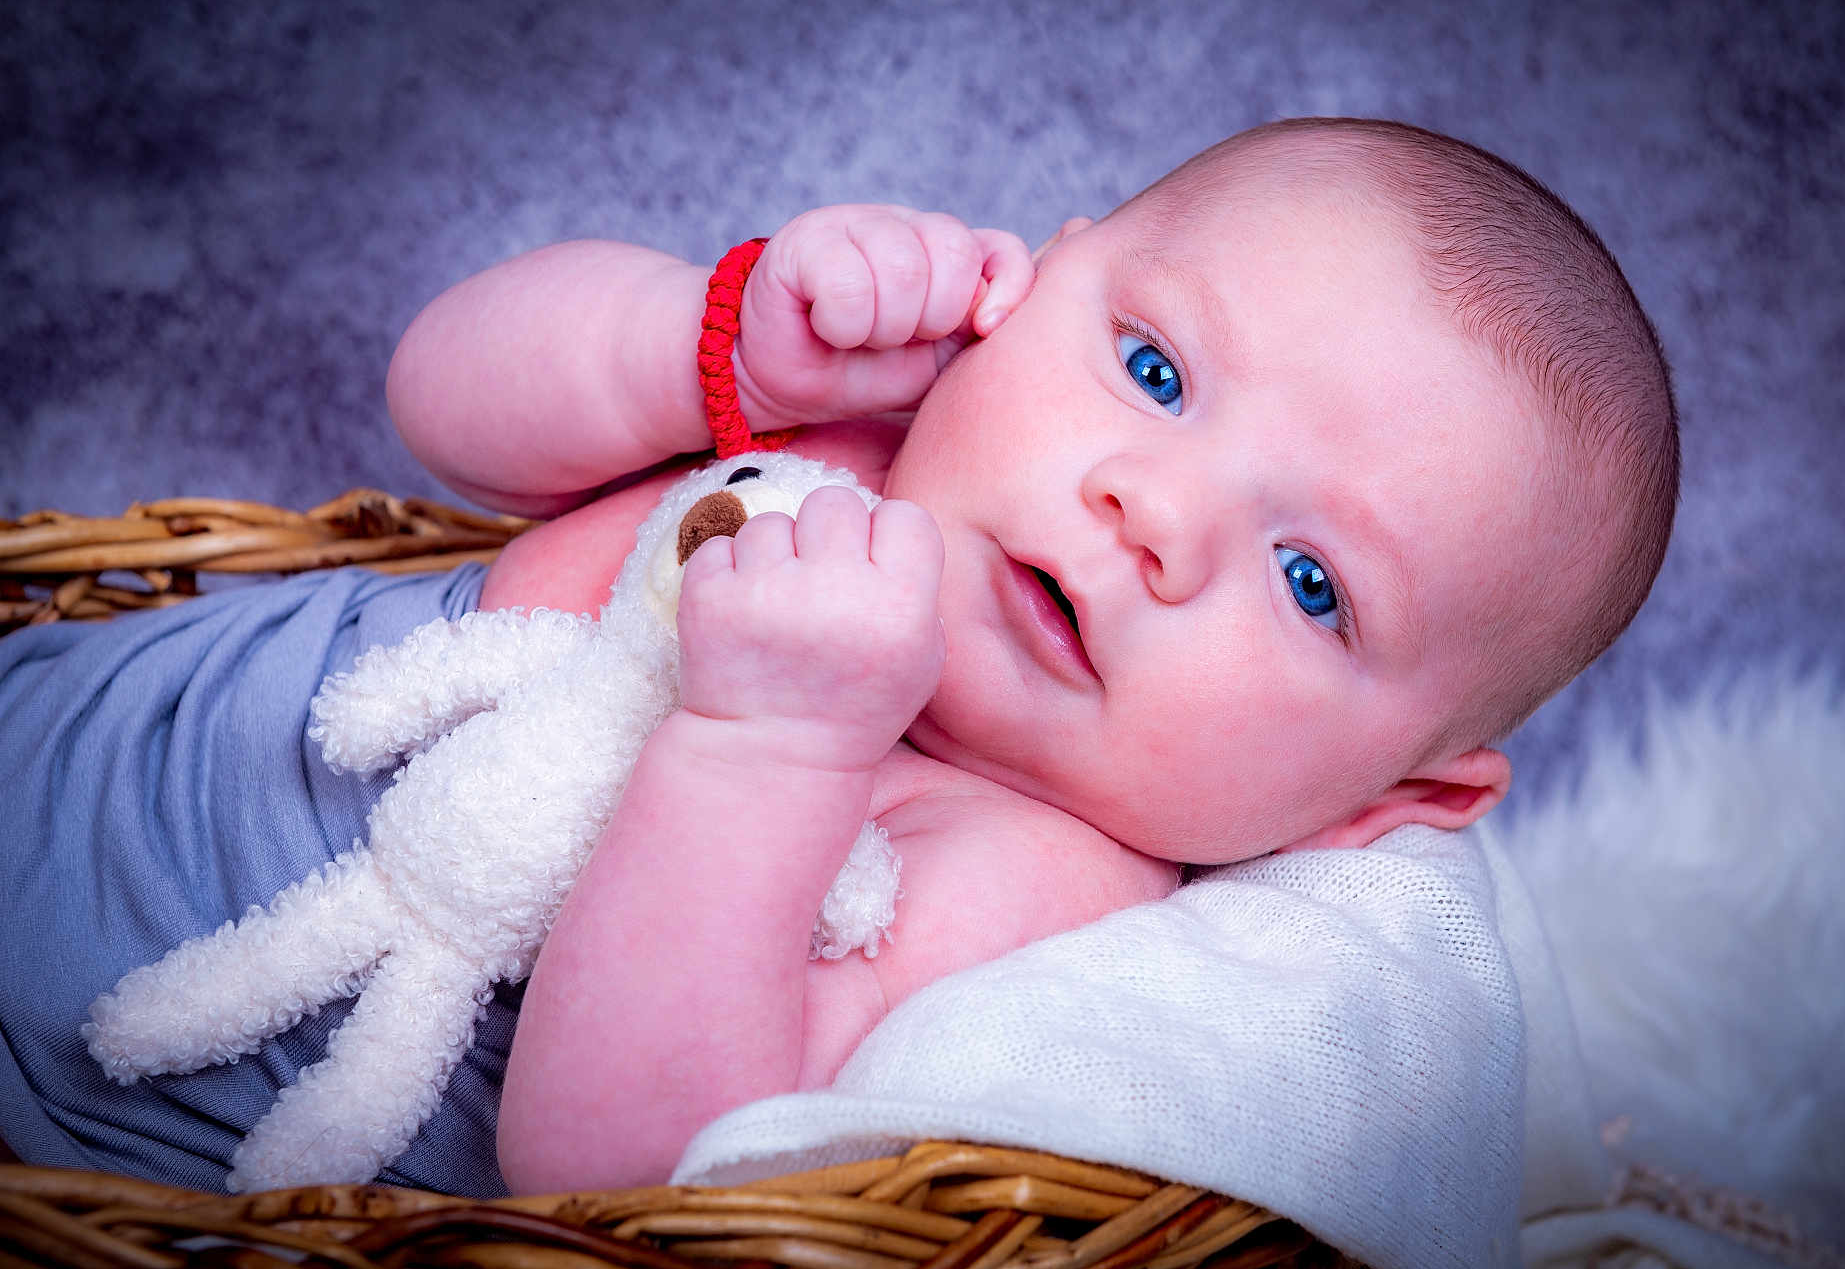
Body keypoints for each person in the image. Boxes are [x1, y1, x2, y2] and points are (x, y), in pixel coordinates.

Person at [0, 117, 1677, 1198]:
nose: (1152, 509)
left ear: (1390, 797)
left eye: (1314, 580)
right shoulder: (870, 425)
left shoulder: (1037, 873)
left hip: (72, 1101)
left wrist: (765, 752)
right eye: (1158, 371)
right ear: (1045, 273)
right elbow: (439, 395)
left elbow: (627, 1165)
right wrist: (701, 338)